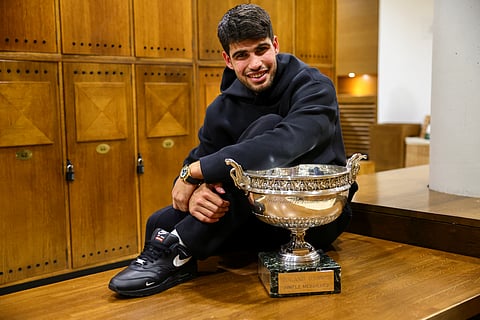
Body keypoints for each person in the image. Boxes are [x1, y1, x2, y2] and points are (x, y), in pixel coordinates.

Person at [108, 3, 357, 297]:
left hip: (309, 217)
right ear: (228, 59)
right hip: (251, 215)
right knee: (160, 221)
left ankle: (182, 245)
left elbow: (286, 143)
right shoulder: (222, 108)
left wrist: (196, 173)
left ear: (275, 45)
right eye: (242, 55)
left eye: (261, 50)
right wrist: (196, 189)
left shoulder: (314, 87)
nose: (255, 64)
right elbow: (198, 160)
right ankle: (178, 253)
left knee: (268, 126)